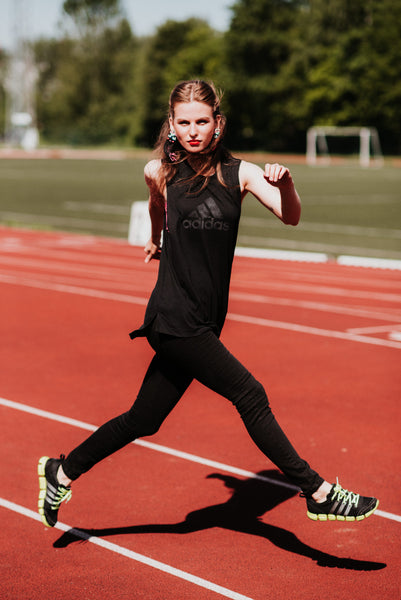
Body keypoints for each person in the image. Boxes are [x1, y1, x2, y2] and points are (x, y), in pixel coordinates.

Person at [38, 80, 378, 528]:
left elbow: (290, 215)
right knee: (250, 394)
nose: (194, 130)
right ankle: (317, 492)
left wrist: (289, 184)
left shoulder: (242, 173)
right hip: (175, 317)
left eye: (202, 121)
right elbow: (157, 204)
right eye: (184, 122)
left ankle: (60, 471)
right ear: (172, 125)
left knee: (144, 419)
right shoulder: (158, 170)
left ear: (218, 122)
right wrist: (156, 238)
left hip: (204, 318)